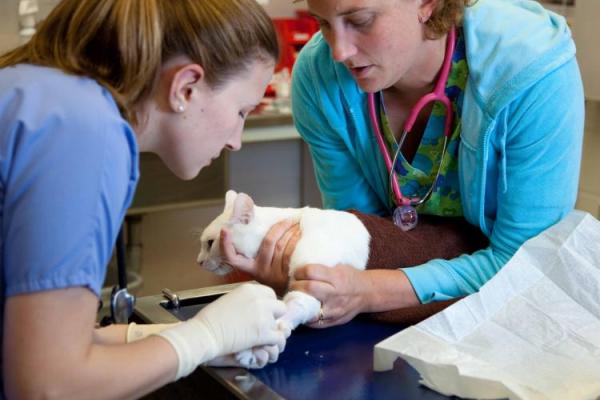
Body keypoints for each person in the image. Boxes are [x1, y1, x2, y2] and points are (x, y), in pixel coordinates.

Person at [221, 0, 585, 328]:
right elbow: (360, 236)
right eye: (323, 24)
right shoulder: (320, 80)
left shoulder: (531, 71)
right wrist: (312, 272)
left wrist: (371, 292)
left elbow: (528, 265)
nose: (338, 52)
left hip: (512, 309)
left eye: (360, 20)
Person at [0, 0, 288, 398]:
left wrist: (182, 336)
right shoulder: (83, 130)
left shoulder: (36, 91)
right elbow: (49, 385)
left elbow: (45, 342)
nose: (235, 142)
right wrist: (203, 338)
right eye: (241, 111)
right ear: (185, 87)